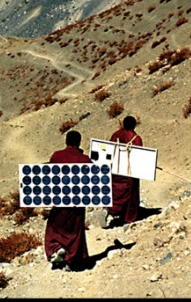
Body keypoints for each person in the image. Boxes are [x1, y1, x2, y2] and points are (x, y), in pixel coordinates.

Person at [44, 130, 92, 271]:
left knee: (54, 228)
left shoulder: (56, 156)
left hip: (59, 200)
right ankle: (72, 259)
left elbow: (50, 177)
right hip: (76, 202)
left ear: (66, 141)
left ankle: (56, 248)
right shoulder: (85, 160)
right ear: (79, 142)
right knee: (75, 232)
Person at [103, 115, 143, 226]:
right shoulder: (136, 139)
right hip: (129, 171)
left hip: (116, 170)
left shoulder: (116, 135)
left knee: (115, 191)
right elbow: (139, 156)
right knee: (131, 193)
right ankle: (128, 218)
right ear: (134, 125)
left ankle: (110, 210)